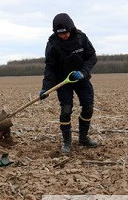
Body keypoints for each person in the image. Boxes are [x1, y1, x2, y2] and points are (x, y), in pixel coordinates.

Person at [39, 13, 98, 153]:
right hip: (63, 81)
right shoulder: (52, 44)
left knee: (88, 108)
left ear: (70, 28)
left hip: (81, 79)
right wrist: (45, 88)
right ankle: (67, 142)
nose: (63, 36)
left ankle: (83, 138)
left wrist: (83, 72)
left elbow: (92, 57)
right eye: (60, 34)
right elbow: (50, 68)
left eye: (65, 33)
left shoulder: (81, 38)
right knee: (66, 110)